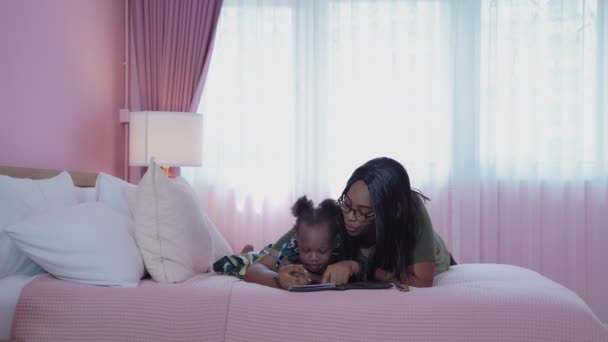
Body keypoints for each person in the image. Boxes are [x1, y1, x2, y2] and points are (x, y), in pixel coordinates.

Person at [245, 157, 453, 289]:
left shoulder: (410, 208)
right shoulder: (330, 218)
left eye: (364, 213)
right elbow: (256, 269)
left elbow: (421, 282)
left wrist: (357, 268)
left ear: (389, 213)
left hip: (431, 254)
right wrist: (278, 280)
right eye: (348, 204)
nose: (351, 217)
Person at [243, 196, 341, 289]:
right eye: (306, 250)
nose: (314, 258)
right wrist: (279, 278)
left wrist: (312, 277)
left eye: (322, 251)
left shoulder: (339, 255)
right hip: (265, 255)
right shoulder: (289, 252)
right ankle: (246, 253)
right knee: (242, 264)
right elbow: (253, 270)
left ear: (334, 243)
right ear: (297, 240)